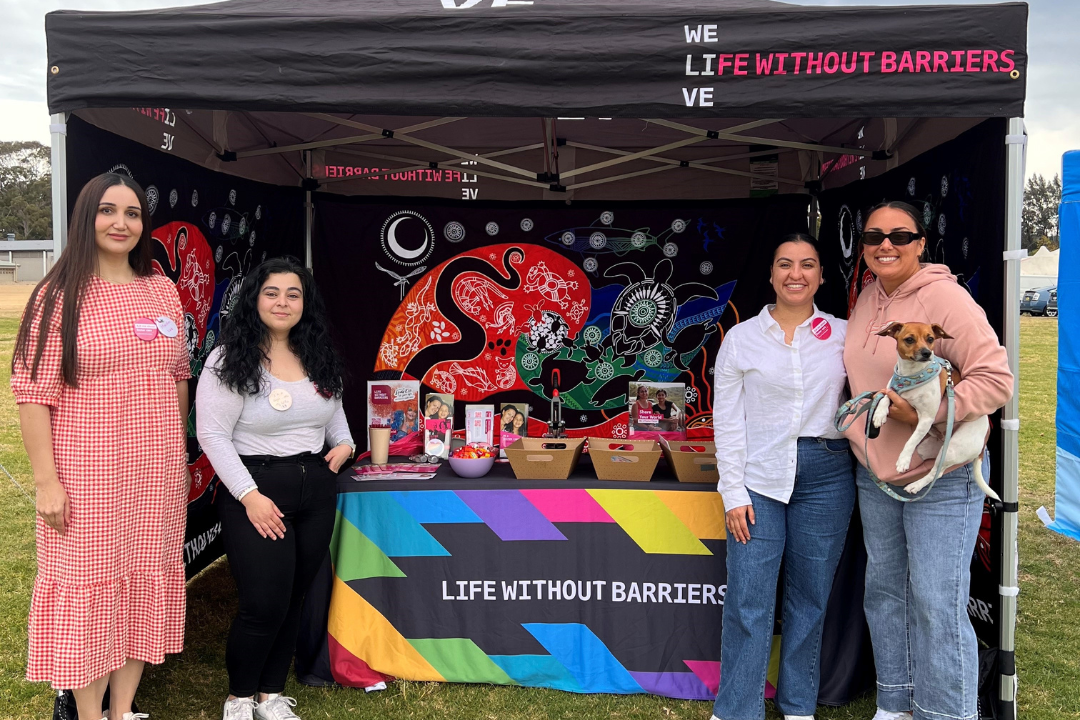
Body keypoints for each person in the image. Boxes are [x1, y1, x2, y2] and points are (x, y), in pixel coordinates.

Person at [11, 173, 190, 720]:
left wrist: (176, 454)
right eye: (108, 211)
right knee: (88, 593)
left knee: (142, 582)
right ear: (86, 218)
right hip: (88, 477)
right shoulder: (57, 296)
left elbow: (179, 373)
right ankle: (90, 715)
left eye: (133, 213)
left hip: (154, 476)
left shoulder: (161, 289)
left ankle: (122, 710)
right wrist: (46, 482)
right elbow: (32, 393)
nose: (121, 223)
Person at [842, 202, 1013, 720]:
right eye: (873, 235)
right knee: (886, 592)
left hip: (940, 476)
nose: (884, 244)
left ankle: (945, 713)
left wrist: (935, 413)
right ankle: (895, 704)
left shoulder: (946, 297)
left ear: (921, 243)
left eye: (899, 234)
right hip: (875, 475)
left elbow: (996, 379)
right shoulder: (869, 296)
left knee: (937, 605)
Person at [196, 257, 355, 720]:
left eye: (293, 294)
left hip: (314, 491)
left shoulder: (317, 353)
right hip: (256, 489)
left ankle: (269, 695)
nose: (282, 302)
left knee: (293, 598)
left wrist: (344, 445)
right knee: (263, 603)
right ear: (254, 298)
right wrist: (249, 497)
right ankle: (239, 698)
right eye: (272, 293)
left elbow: (333, 413)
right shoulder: (229, 359)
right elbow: (212, 435)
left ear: (305, 303)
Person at [711, 234, 854, 720]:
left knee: (809, 599)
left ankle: (797, 708)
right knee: (749, 600)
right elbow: (728, 422)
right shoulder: (741, 339)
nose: (796, 274)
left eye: (808, 265)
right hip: (759, 478)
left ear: (821, 276)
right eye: (786, 265)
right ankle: (737, 711)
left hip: (828, 474)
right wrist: (732, 491)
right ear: (771, 275)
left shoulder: (844, 334)